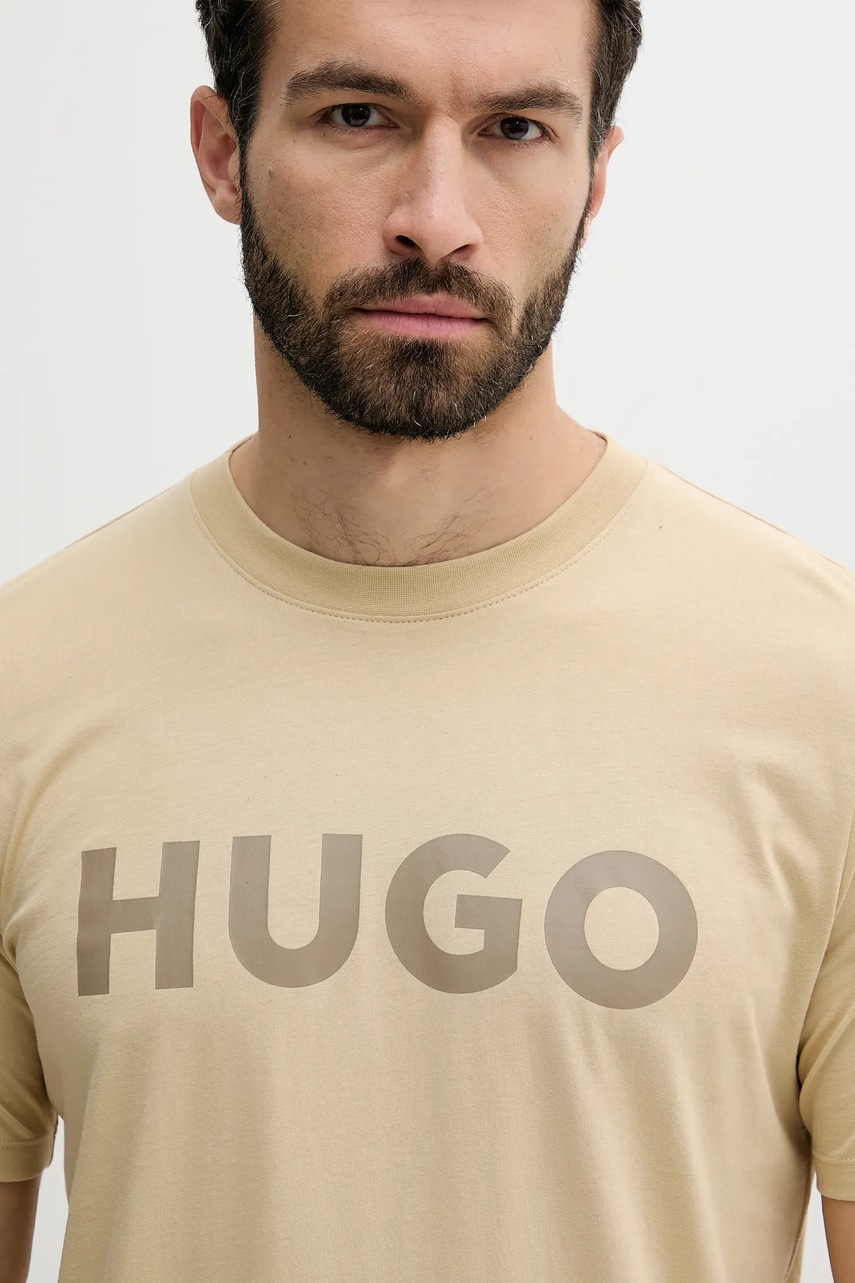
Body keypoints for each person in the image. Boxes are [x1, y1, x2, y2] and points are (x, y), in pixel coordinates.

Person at [1, 0, 854, 1280]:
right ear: (224, 152)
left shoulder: (824, 691)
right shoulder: (26, 679)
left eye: (515, 129)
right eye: (359, 115)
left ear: (595, 175)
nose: (436, 219)